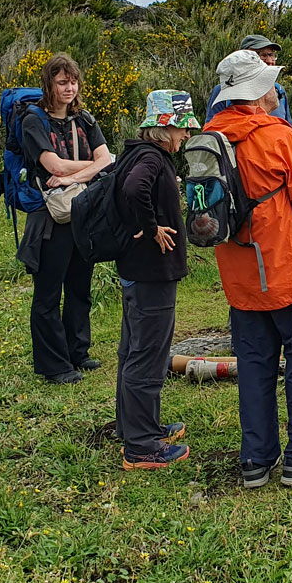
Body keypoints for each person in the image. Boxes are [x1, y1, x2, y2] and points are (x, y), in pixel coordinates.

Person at [205, 49, 292, 488]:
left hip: (238, 275)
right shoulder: (279, 137)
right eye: (269, 81)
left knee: (253, 364)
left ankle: (256, 460)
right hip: (287, 270)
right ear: (258, 91)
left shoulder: (208, 140)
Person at [114, 90, 200, 469]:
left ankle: (136, 426)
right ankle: (142, 446)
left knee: (133, 351)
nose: (184, 137)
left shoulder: (136, 151)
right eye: (182, 129)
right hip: (152, 273)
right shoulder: (151, 158)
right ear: (167, 128)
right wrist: (152, 228)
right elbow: (135, 189)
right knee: (148, 356)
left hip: (136, 272)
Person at [17, 53, 112, 384]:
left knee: (79, 286)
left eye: (72, 81)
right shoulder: (33, 121)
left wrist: (73, 175)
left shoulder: (84, 119)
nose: (69, 87)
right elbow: (53, 166)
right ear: (49, 84)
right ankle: (54, 366)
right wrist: (89, 168)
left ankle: (77, 352)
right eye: (62, 82)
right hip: (50, 216)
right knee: (47, 293)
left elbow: (105, 157)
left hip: (84, 211)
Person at [204, 35, 292, 123]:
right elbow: (213, 129)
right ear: (244, 57)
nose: (269, 60)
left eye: (271, 55)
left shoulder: (279, 90)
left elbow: (289, 126)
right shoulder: (224, 91)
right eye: (262, 55)